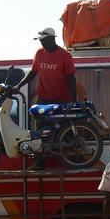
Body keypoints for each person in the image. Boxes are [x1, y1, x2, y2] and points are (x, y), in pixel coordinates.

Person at [13, 27, 77, 170]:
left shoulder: (65, 56)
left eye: (43, 40)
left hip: (62, 99)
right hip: (43, 99)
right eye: (40, 41)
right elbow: (33, 73)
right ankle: (39, 162)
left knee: (65, 130)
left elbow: (71, 78)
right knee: (37, 132)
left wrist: (73, 100)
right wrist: (18, 86)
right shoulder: (39, 53)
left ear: (51, 39)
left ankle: (73, 159)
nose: (41, 44)